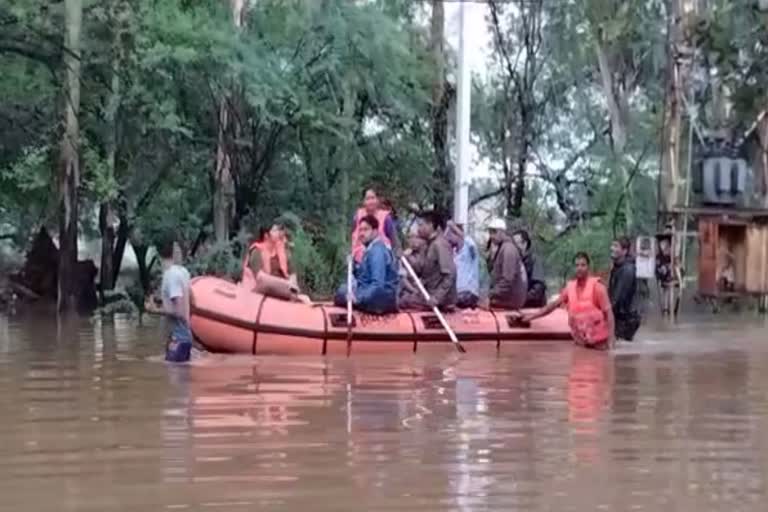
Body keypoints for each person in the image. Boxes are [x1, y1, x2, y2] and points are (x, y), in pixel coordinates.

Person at [523, 252, 614, 350]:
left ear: (588, 267)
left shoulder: (598, 288)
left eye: (583, 265)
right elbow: (553, 306)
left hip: (600, 345)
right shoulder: (569, 288)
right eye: (577, 265)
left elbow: (609, 315)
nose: (579, 268)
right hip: (581, 344)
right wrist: (532, 316)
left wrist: (611, 343)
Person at [334, 215, 399, 314]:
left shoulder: (377, 251)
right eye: (360, 230)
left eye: (365, 230)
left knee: (342, 292)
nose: (361, 234)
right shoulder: (370, 250)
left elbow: (378, 284)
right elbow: (364, 276)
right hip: (373, 294)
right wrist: (354, 266)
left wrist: (358, 298)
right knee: (343, 290)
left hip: (381, 299)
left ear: (375, 231)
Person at [144, 233, 193, 363]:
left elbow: (179, 312)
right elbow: (191, 302)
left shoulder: (170, 276)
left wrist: (155, 310)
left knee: (176, 380)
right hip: (183, 337)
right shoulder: (183, 272)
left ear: (156, 252)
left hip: (178, 338)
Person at [399, 211, 457, 310]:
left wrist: (436, 298)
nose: (418, 229)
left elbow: (450, 274)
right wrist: (407, 258)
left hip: (439, 298)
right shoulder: (428, 245)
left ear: (430, 225)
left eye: (421, 225)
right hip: (428, 293)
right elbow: (421, 269)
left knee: (402, 301)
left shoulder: (440, 245)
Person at [241, 221, 310, 304]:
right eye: (275, 230)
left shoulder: (284, 252)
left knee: (305, 298)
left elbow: (293, 276)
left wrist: (289, 285)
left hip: (281, 290)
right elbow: (261, 278)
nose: (279, 233)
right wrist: (285, 284)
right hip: (260, 293)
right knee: (268, 284)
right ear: (266, 235)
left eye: (278, 230)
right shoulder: (257, 252)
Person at [487, 218, 527, 310]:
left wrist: (490, 294)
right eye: (490, 232)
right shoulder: (503, 248)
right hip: (508, 298)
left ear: (502, 232)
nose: (491, 236)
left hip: (510, 300)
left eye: (494, 232)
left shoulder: (508, 249)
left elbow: (507, 281)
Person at [351, 188, 401, 263]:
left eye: (373, 198)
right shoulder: (357, 216)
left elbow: (395, 241)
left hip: (381, 260)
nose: (371, 202)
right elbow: (354, 237)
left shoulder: (386, 218)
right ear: (363, 201)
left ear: (377, 200)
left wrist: (397, 257)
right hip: (360, 261)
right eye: (368, 199)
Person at [609, 236, 641, 341]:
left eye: (616, 246)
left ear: (624, 251)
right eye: (612, 245)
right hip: (621, 318)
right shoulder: (617, 267)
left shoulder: (627, 270)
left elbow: (619, 298)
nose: (612, 248)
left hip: (625, 320)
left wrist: (605, 314)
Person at [446, 221, 480, 309]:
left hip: (468, 292)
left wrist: (454, 228)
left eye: (450, 235)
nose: (448, 238)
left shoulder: (470, 249)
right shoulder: (453, 253)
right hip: (457, 293)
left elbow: (468, 240)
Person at [512, 229, 547, 308]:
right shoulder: (515, 262)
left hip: (535, 308)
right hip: (519, 306)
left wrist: (523, 298)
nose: (513, 247)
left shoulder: (534, 260)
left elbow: (538, 287)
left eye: (516, 243)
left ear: (525, 243)